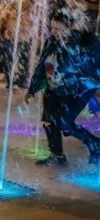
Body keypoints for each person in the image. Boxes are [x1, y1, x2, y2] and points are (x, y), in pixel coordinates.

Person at [26, 11, 100, 166]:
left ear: (69, 27)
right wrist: (32, 88)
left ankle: (94, 144)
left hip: (77, 89)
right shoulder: (51, 42)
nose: (54, 32)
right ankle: (57, 155)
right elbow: (42, 65)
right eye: (52, 28)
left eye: (58, 29)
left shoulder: (82, 42)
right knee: (49, 121)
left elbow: (89, 65)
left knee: (64, 123)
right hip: (54, 87)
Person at [0, 0, 33, 88]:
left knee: (24, 60)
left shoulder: (32, 8)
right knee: (9, 59)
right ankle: (10, 80)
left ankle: (22, 80)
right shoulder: (11, 6)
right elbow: (1, 20)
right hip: (10, 37)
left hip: (24, 38)